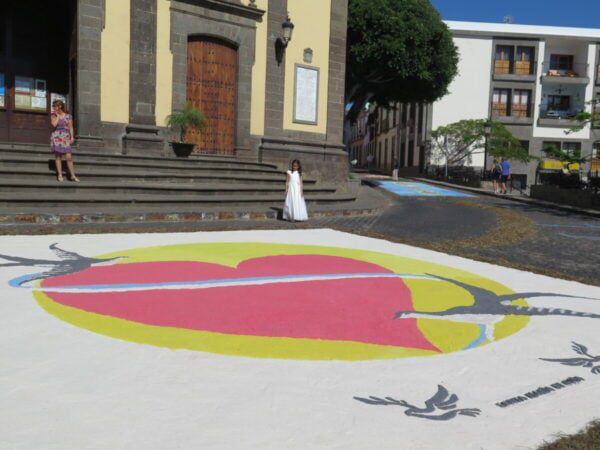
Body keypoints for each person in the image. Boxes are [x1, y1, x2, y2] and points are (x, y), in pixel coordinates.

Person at [50, 99, 79, 182]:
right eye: (53, 106)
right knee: (58, 156)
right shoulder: (53, 115)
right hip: (56, 136)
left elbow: (71, 127)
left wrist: (72, 137)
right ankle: (60, 174)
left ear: (60, 106)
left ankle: (73, 175)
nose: (53, 108)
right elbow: (54, 125)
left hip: (65, 137)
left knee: (69, 157)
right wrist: (58, 116)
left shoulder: (68, 116)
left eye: (55, 106)